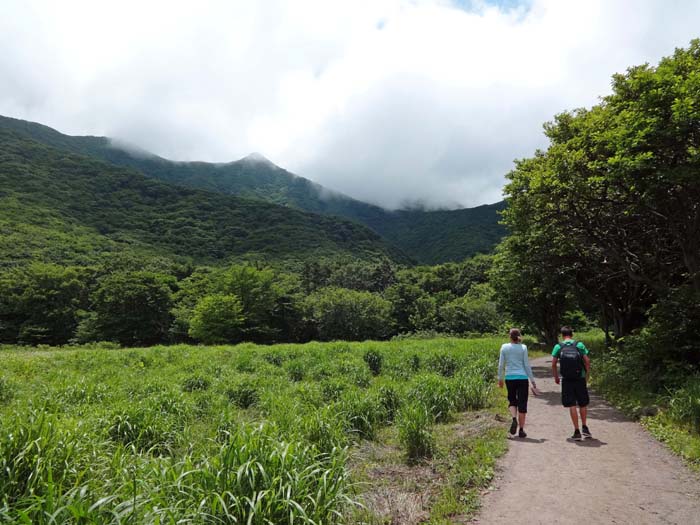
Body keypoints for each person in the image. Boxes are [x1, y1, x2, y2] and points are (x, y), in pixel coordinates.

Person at [551, 326, 592, 441]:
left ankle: (577, 431)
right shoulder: (579, 345)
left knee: (572, 404)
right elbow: (587, 361)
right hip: (580, 377)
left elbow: (553, 364)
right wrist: (586, 375)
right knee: (583, 403)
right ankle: (585, 427)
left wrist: (556, 377)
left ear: (562, 335)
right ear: (572, 334)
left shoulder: (558, 346)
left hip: (567, 379)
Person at [498, 328, 537, 438]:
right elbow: (526, 365)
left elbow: (501, 365)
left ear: (509, 336)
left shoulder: (504, 347)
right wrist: (532, 380)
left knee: (512, 400)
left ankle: (514, 419)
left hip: (509, 377)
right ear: (519, 336)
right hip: (522, 378)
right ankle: (521, 430)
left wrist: (500, 379)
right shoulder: (523, 347)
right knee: (522, 404)